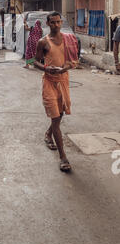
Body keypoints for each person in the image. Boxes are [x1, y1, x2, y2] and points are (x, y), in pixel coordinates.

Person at [34, 12, 79, 173]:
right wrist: (47, 68)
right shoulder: (43, 42)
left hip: (63, 81)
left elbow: (73, 61)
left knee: (60, 115)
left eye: (58, 22)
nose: (56, 25)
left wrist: (66, 67)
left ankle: (48, 134)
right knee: (55, 116)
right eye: (53, 22)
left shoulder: (68, 39)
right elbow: (34, 62)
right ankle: (63, 157)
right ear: (47, 23)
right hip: (49, 82)